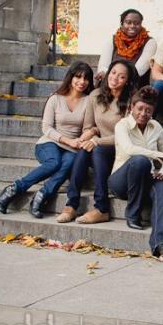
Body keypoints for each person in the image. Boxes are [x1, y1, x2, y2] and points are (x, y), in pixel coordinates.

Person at [0, 62, 94, 217]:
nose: (82, 82)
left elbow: (90, 127)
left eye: (86, 78)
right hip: (49, 142)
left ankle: (42, 195)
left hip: (73, 147)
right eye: (78, 76)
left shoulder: (89, 101)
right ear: (70, 77)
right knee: (54, 162)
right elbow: (46, 128)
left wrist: (82, 138)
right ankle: (15, 188)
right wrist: (67, 141)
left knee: (68, 163)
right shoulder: (55, 98)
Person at [61, 60, 139, 224]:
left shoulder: (132, 101)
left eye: (121, 77)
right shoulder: (95, 95)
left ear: (127, 81)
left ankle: (102, 208)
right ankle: (71, 204)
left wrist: (97, 141)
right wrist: (90, 133)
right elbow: (89, 126)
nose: (115, 78)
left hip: (122, 151)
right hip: (100, 149)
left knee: (97, 150)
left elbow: (127, 136)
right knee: (83, 151)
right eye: (113, 73)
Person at [108, 86, 163, 257]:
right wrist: (158, 156)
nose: (143, 113)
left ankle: (162, 242)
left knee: (162, 187)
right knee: (140, 161)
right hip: (121, 180)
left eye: (148, 110)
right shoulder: (122, 125)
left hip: (147, 178)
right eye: (140, 108)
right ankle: (132, 213)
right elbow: (130, 149)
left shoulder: (156, 127)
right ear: (131, 107)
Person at [96, 9, 157, 86]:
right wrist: (107, 74)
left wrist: (119, 79)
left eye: (137, 23)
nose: (132, 26)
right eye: (128, 22)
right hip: (110, 83)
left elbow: (139, 70)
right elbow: (103, 66)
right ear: (122, 24)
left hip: (135, 85)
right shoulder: (112, 40)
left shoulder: (150, 43)